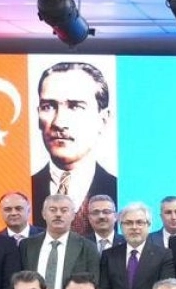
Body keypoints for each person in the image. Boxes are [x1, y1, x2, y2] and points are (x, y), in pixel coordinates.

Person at [31, 61, 118, 235]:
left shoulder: (117, 187)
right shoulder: (27, 188)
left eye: (75, 106)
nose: (59, 122)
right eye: (48, 107)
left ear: (103, 119)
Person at [97, 202, 175, 289]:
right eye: (128, 223)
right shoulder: (109, 255)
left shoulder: (164, 255)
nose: (134, 227)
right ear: (121, 226)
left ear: (149, 225)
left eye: (139, 222)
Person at [22, 193, 99, 289]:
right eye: (53, 210)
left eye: (64, 210)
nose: (58, 214)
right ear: (43, 214)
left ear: (73, 215)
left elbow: (94, 286)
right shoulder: (27, 245)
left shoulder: (87, 247)